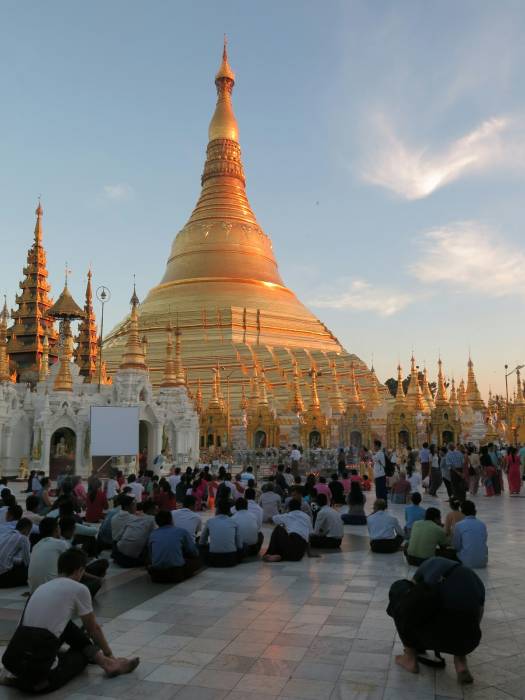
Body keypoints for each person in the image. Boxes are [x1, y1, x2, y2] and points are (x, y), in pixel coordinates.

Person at [2, 548, 139, 693]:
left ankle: (14, 678)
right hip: (41, 679)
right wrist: (109, 654)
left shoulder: (41, 587)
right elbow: (93, 629)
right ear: (79, 570)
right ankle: (109, 663)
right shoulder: (79, 588)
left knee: (67, 627)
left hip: (14, 660)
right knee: (82, 655)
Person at [388, 557, 485, 684]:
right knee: (463, 615)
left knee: (400, 592)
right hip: (469, 640)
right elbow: (478, 615)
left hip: (432, 637)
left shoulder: (428, 564)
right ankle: (460, 663)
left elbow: (411, 598)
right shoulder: (473, 578)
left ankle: (409, 657)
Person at [147, 510, 201, 583]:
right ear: (171, 520)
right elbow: (193, 552)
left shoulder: (153, 534)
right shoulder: (181, 531)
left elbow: (151, 557)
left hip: (156, 575)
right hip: (175, 573)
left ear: (157, 522)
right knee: (197, 559)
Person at [199, 499, 243, 567]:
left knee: (199, 546)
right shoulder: (234, 522)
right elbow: (239, 545)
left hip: (213, 559)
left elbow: (201, 542)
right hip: (230, 559)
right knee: (244, 545)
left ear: (217, 510)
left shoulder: (210, 521)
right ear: (229, 511)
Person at [113, 501, 157, 568]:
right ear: (151, 509)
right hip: (131, 558)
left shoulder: (132, 517)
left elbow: (118, 537)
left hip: (118, 553)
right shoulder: (152, 520)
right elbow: (157, 537)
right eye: (156, 509)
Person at [452, 500, 488, 569]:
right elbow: (484, 540)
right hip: (483, 562)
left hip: (466, 562)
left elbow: (456, 546)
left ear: (462, 511)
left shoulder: (459, 525)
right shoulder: (482, 524)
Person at [0, 518, 32, 587]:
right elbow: (27, 562)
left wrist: (20, 561)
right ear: (27, 529)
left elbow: (6, 557)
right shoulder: (23, 538)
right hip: (3, 577)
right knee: (29, 573)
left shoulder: (4, 535)